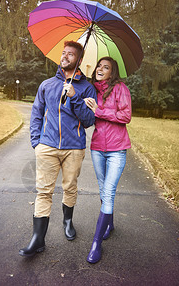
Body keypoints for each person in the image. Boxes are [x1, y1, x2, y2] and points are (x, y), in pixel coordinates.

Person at [19, 41, 97, 257]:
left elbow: (90, 119)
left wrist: (74, 97)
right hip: (47, 147)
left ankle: (68, 221)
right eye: (64, 53)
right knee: (44, 191)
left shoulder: (87, 88)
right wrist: (37, 143)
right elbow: (36, 114)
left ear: (79, 60)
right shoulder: (46, 85)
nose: (65, 56)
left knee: (70, 188)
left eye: (71, 54)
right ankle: (37, 239)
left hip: (74, 148)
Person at [84, 57, 132, 263]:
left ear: (112, 73)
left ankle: (96, 244)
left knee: (108, 192)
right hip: (97, 148)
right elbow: (87, 119)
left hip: (117, 149)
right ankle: (109, 224)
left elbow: (126, 115)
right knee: (103, 188)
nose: (100, 69)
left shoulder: (121, 89)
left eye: (106, 67)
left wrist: (99, 110)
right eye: (99, 66)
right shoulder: (91, 90)